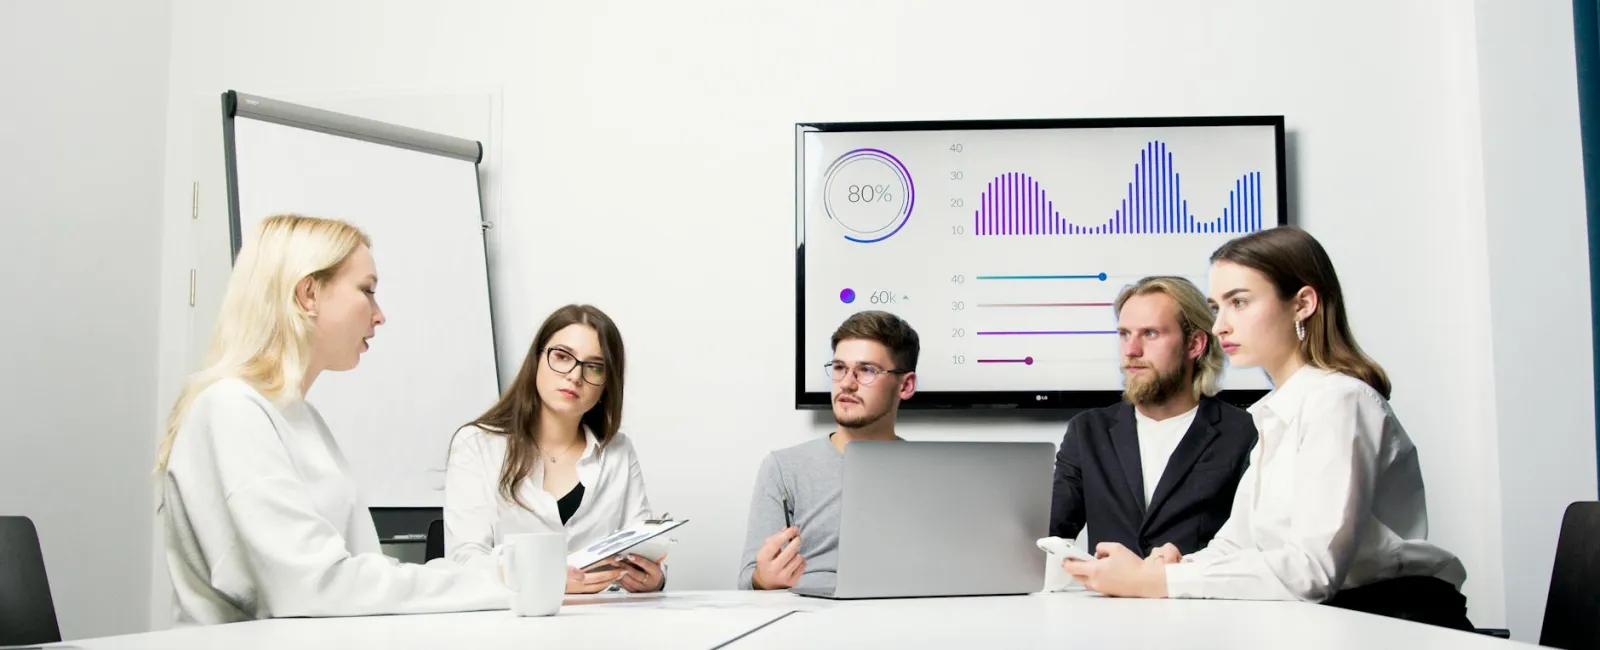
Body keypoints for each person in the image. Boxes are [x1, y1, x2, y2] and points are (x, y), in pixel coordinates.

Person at [1062, 226, 1472, 631]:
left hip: (1389, 620)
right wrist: (1179, 562)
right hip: (1328, 620)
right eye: (1217, 306)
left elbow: (1314, 569)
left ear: (1303, 303)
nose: (1220, 325)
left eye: (1239, 303)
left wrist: (1161, 580)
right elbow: (1237, 544)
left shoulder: (1340, 402)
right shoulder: (1272, 413)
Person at [156, 214, 510, 625]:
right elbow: (314, 585)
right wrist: (498, 583)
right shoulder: (231, 410)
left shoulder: (301, 419)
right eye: (367, 291)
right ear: (309, 293)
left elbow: (358, 576)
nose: (379, 315)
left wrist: (493, 580)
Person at [445, 304, 663, 594]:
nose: (574, 376)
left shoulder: (618, 451)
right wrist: (541, 576)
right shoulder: (476, 444)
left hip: (603, 625)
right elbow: (465, 562)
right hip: (509, 626)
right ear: (537, 360)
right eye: (562, 357)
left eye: (594, 368)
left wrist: (653, 579)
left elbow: (642, 545)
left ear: (606, 386)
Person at [1050, 276, 1257, 556]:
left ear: (1194, 344)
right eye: (1124, 334)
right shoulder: (1087, 431)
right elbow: (1047, 532)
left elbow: (1253, 546)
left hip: (1200, 598)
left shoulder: (1244, 432)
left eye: (1150, 333)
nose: (1131, 350)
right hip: (1108, 600)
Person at [737, 310, 918, 590]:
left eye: (867, 370)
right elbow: (748, 580)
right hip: (810, 617)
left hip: (903, 611)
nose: (847, 382)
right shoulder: (783, 467)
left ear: (905, 385)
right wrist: (763, 579)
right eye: (839, 368)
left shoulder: (930, 472)